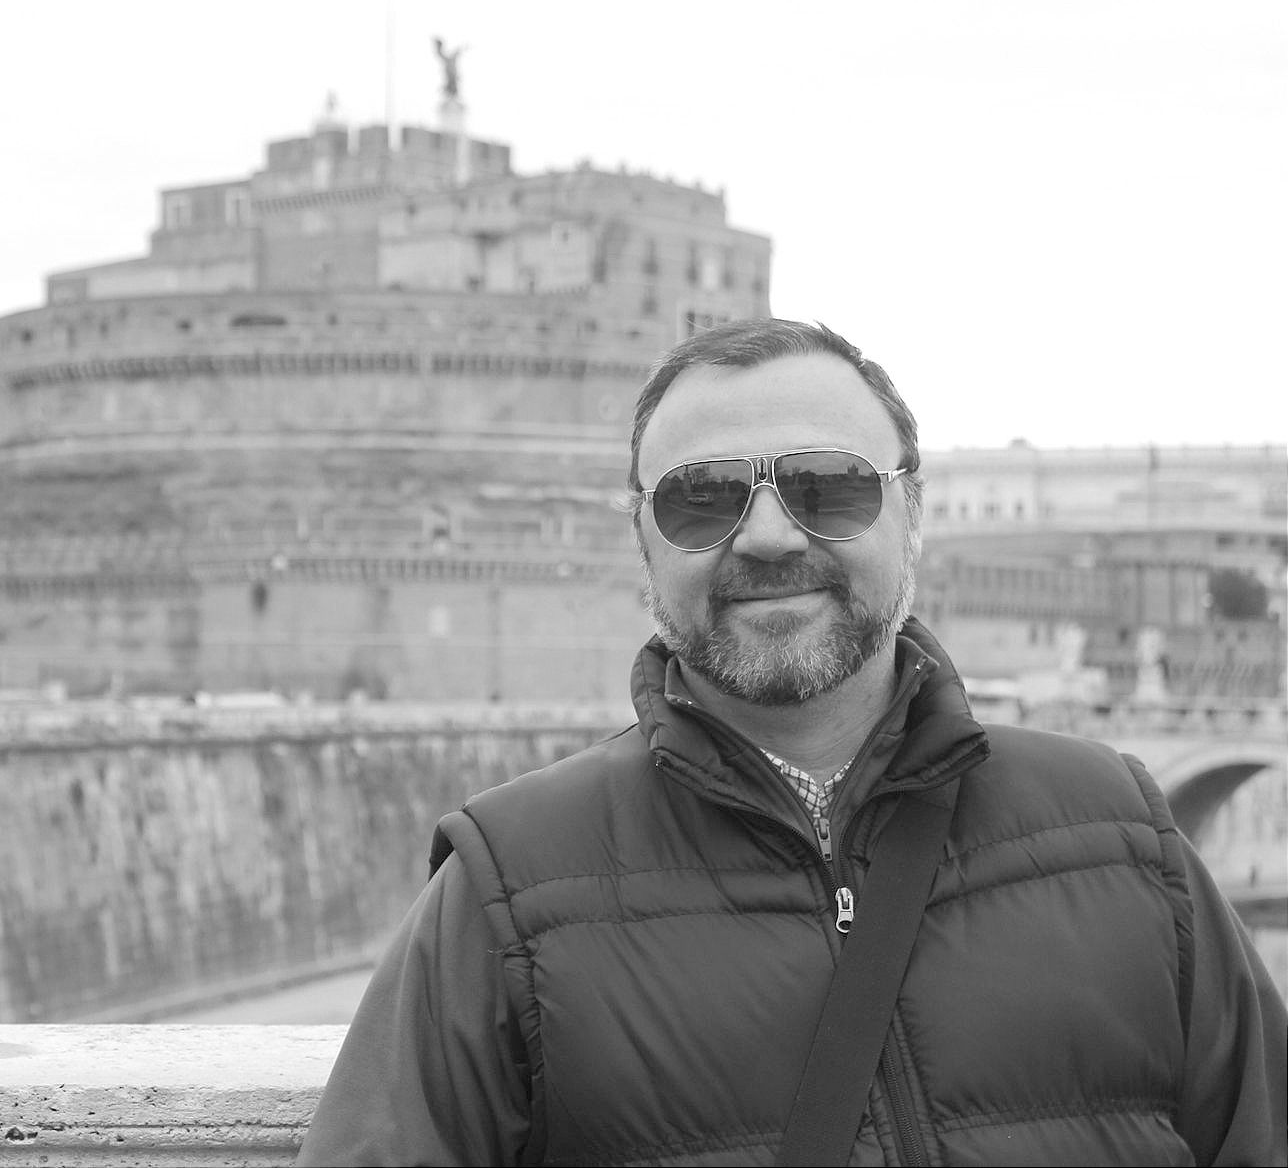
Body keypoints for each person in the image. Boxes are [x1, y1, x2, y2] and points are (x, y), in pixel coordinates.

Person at [298, 318, 1285, 1166]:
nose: (767, 536)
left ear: (912, 513)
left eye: (827, 487)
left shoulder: (1121, 835)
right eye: (700, 498)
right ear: (639, 538)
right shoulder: (501, 890)